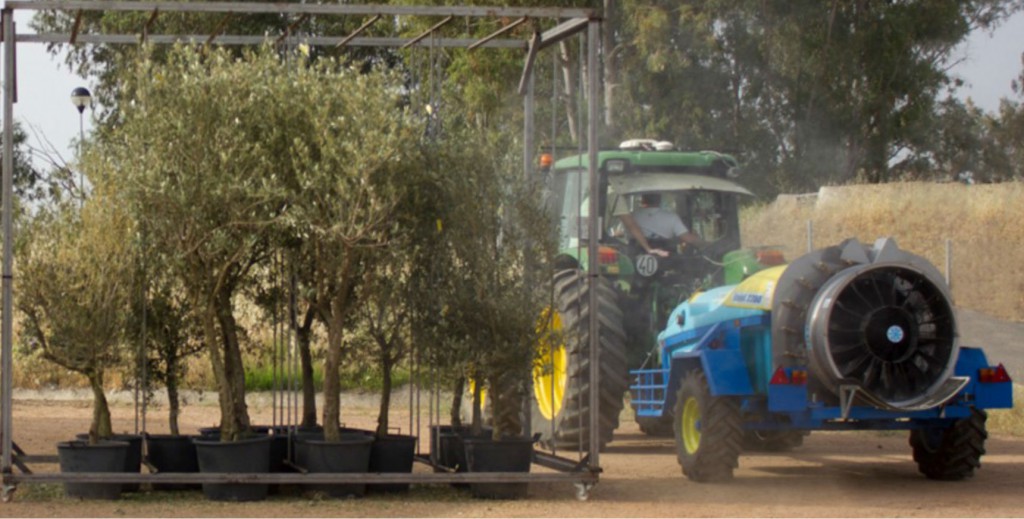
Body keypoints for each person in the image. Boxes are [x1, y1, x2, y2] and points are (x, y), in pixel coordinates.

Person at [617, 193, 703, 257]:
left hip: (635, 256)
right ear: (659, 200)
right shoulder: (671, 217)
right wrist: (705, 243)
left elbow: (620, 233)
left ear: (643, 199)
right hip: (665, 257)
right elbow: (687, 238)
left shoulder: (631, 216)